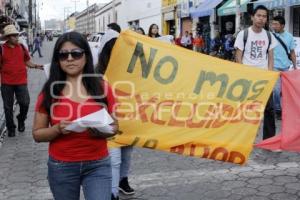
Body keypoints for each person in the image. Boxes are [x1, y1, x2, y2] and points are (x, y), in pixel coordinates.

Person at [32, 31, 118, 200]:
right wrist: (57, 129)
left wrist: (103, 130)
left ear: (86, 56)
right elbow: (37, 134)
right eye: (63, 55)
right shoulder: (49, 92)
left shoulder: (103, 87)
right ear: (58, 60)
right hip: (62, 166)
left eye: (76, 53)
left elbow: (115, 127)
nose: (70, 58)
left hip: (98, 164)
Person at [96, 23, 135, 200]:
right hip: (109, 121)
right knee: (114, 160)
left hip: (129, 118)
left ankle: (122, 181)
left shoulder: (131, 67)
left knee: (126, 154)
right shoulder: (98, 73)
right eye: (112, 48)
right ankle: (112, 193)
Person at [234, 5, 277, 140]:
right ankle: (243, 137)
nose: (261, 19)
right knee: (246, 108)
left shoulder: (269, 36)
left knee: (269, 109)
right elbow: (238, 56)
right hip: (247, 78)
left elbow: (270, 57)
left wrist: (270, 74)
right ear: (252, 17)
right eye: (258, 15)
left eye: (264, 16)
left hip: (264, 78)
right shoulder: (244, 34)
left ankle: (269, 140)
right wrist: (241, 74)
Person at [0, 25, 43, 137]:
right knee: (7, 107)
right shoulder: (2, 49)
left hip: (21, 82)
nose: (16, 37)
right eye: (14, 36)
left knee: (25, 103)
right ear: (8, 37)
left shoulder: (22, 48)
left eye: (17, 35)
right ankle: (11, 128)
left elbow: (27, 62)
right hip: (6, 83)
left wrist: (37, 66)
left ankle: (21, 119)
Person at [271, 15, 298, 120]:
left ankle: (286, 108)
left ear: (282, 25)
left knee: (285, 91)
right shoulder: (271, 36)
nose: (273, 26)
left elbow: (292, 52)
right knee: (276, 90)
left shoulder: (289, 36)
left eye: (276, 24)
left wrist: (295, 67)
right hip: (274, 67)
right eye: (273, 24)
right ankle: (277, 109)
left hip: (286, 67)